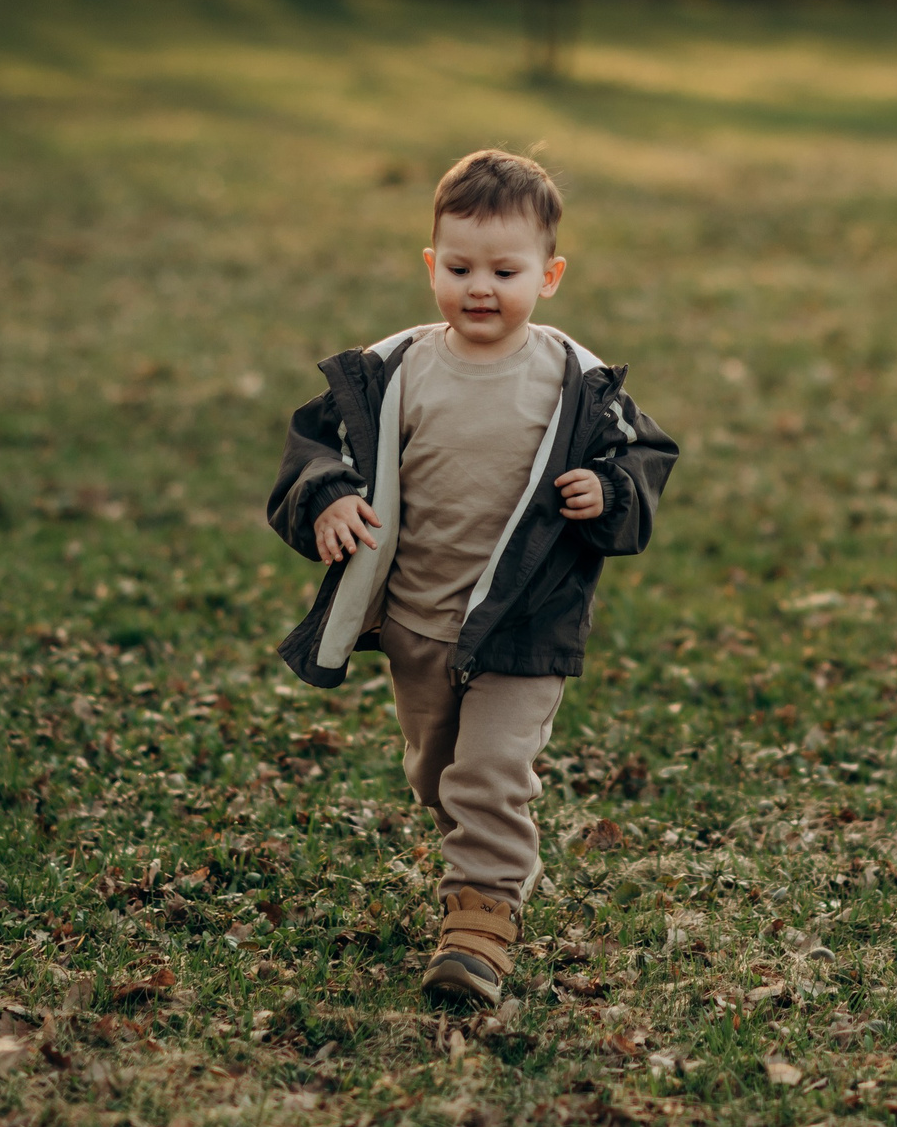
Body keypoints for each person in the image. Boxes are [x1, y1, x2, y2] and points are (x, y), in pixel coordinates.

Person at [264, 150, 677, 1007]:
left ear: (550, 275)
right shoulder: (395, 371)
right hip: (417, 621)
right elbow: (314, 454)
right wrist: (330, 499)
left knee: (489, 774)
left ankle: (480, 926)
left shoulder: (578, 384)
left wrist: (606, 491)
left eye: (505, 270)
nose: (479, 287)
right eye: (459, 268)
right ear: (431, 265)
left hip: (525, 622)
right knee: (438, 772)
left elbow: (643, 461)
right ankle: (475, 850)